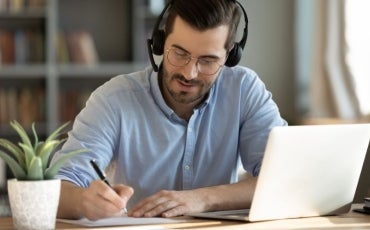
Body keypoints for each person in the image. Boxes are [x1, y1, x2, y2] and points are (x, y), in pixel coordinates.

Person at [52, 0, 287, 220]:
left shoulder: (244, 90)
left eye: (207, 61)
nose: (189, 73)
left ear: (229, 56)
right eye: (180, 53)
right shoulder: (114, 99)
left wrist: (201, 199)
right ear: (160, 42)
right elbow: (56, 187)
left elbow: (284, 178)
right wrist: (84, 201)